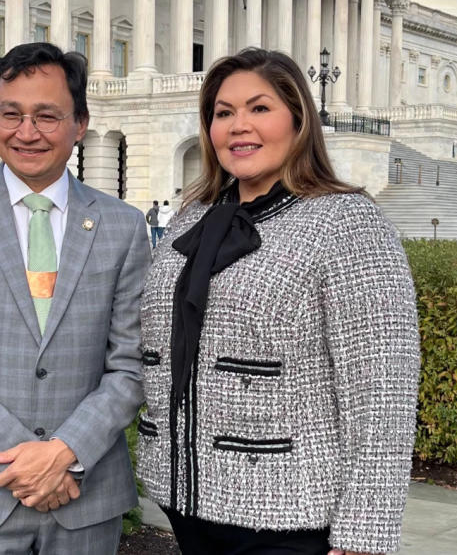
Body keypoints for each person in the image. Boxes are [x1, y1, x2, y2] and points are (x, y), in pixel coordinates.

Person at [137, 48, 420, 555]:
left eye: (259, 108)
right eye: (223, 113)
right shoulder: (190, 219)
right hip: (187, 503)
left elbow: (382, 394)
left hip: (289, 516)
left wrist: (364, 535)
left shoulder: (347, 222)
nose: (238, 126)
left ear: (298, 120)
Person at [0, 43, 149, 554]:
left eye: (46, 115)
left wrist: (65, 452)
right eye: (11, 114)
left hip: (83, 497)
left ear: (79, 123)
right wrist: (26, 465)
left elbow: (129, 365)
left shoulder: (122, 226)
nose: (26, 131)